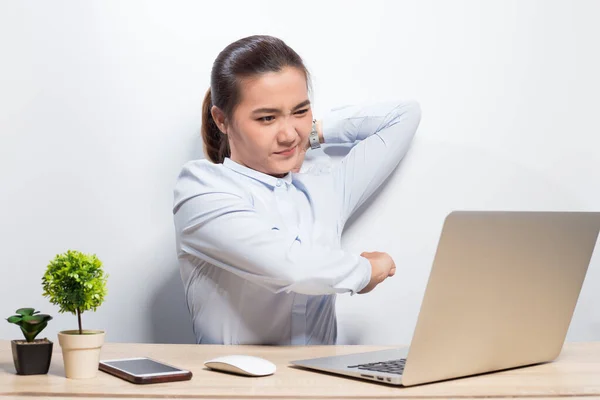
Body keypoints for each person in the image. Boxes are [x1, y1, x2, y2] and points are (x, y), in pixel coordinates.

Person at [173, 35, 421, 345]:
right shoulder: (202, 189)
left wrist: (313, 134)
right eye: (267, 118)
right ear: (222, 120)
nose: (289, 134)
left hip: (322, 384)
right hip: (234, 388)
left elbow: (404, 116)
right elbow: (292, 268)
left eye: (300, 111)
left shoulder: (324, 187)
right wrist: (367, 270)